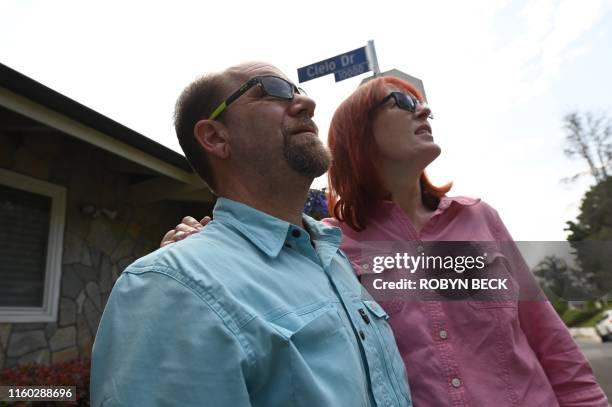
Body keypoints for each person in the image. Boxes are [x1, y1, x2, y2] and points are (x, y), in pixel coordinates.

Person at [165, 75, 609, 406]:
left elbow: (552, 345)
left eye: (423, 104)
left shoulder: (478, 220)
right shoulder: (329, 248)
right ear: (358, 133)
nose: (424, 111)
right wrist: (205, 241)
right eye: (402, 102)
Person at [90, 63, 412, 407]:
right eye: (272, 89)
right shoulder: (171, 286)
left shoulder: (336, 259)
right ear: (215, 137)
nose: (308, 104)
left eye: (299, 91)